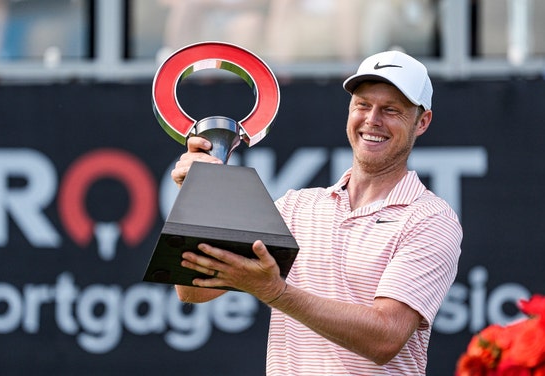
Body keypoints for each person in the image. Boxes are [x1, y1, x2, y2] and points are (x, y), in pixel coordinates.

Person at [170, 50, 462, 375]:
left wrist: (276, 293)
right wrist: (199, 193)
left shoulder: (430, 218)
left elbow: (385, 337)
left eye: (391, 109)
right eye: (363, 105)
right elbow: (194, 288)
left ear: (422, 122)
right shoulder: (297, 207)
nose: (372, 119)